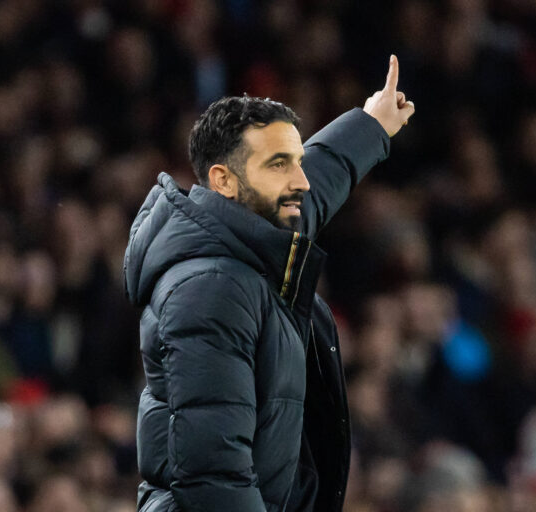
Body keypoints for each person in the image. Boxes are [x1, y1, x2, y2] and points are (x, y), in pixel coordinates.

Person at [124, 55, 415, 512]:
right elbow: (215, 478)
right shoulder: (211, 289)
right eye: (279, 164)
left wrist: (370, 124)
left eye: (297, 161)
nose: (299, 180)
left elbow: (315, 185)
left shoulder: (251, 237)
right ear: (224, 181)